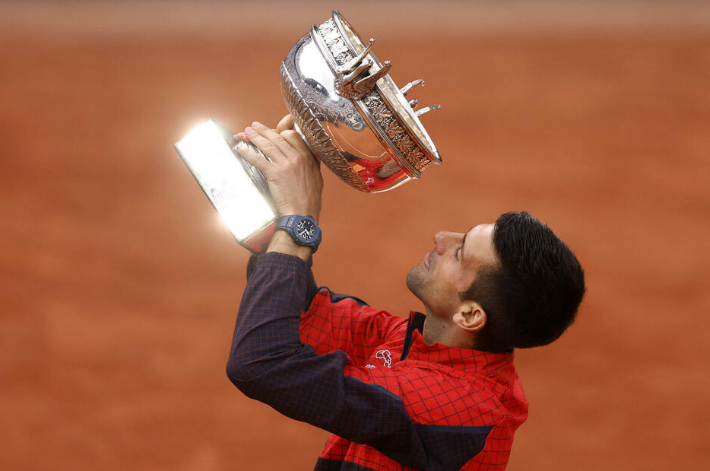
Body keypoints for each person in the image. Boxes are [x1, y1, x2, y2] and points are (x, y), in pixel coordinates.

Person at [226, 116, 586, 471]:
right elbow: (304, 314)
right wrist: (276, 203)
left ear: (470, 315)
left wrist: (299, 219)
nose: (442, 237)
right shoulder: (416, 343)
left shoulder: (455, 407)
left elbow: (261, 363)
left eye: (460, 253)